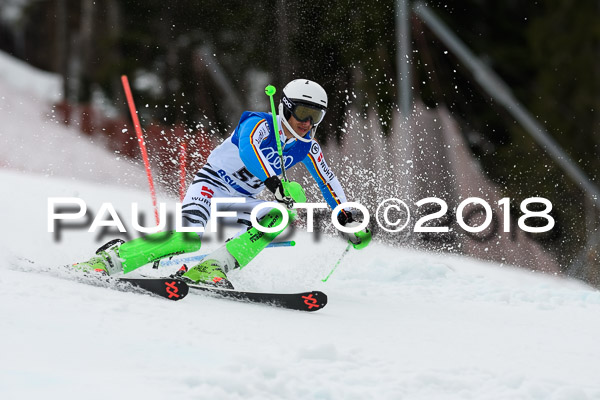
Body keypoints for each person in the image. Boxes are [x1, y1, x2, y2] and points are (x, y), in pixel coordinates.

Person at [74, 79, 371, 288]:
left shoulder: (307, 146)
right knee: (185, 238)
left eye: (314, 115)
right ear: (285, 107)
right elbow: (249, 152)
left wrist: (345, 217)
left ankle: (213, 267)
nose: (306, 122)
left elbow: (327, 181)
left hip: (238, 200)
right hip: (210, 186)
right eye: (302, 113)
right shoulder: (257, 122)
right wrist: (274, 182)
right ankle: (109, 261)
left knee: (279, 217)